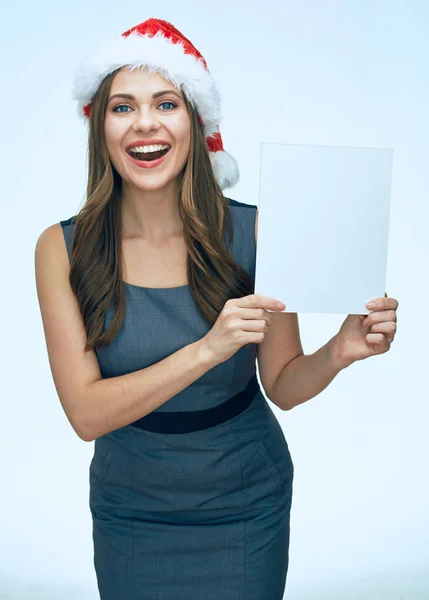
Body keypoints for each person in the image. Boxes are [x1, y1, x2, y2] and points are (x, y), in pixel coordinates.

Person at [34, 17, 399, 600]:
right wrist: (208, 348)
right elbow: (85, 414)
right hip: (131, 508)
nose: (146, 123)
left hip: (245, 501)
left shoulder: (260, 230)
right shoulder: (62, 248)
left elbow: (281, 383)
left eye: (167, 103)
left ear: (196, 123)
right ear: (98, 125)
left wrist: (338, 352)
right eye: (122, 107)